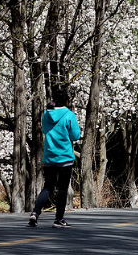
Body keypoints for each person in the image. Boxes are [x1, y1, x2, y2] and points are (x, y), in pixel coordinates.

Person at [28, 89, 81, 228]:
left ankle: (35, 213)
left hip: (49, 157)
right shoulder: (69, 115)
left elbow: (45, 131)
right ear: (66, 102)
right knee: (63, 189)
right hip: (65, 157)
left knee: (48, 187)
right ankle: (58, 219)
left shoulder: (46, 114)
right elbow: (76, 136)